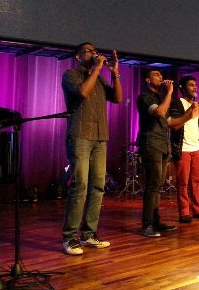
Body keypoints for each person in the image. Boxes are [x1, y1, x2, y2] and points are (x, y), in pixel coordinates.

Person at [61, 42, 122, 255]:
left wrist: (115, 74)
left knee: (98, 186)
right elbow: (83, 93)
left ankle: (88, 234)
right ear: (78, 57)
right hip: (80, 136)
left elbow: (117, 98)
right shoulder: (71, 74)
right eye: (88, 51)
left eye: (95, 50)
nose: (94, 53)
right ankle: (70, 238)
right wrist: (97, 68)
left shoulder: (101, 79)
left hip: (100, 137)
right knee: (81, 186)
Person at [169, 75, 199, 223]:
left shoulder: (196, 104)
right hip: (182, 148)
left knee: (196, 181)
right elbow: (175, 125)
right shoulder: (177, 103)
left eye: (195, 85)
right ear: (183, 88)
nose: (195, 87)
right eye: (191, 85)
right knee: (183, 182)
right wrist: (191, 110)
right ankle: (184, 212)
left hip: (196, 148)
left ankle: (198, 209)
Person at [136, 70, 178, 237]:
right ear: (148, 79)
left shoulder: (161, 99)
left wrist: (190, 115)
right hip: (151, 142)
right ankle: (147, 225)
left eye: (161, 75)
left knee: (158, 186)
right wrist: (170, 92)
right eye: (156, 75)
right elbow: (159, 112)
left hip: (162, 144)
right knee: (152, 184)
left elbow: (169, 123)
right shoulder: (145, 97)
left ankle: (155, 221)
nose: (161, 77)